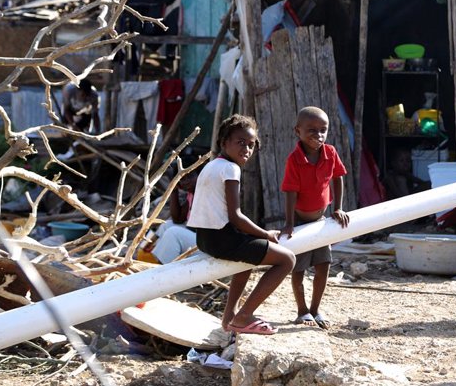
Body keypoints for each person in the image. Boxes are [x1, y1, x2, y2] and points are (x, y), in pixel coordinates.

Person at [188, 114, 295, 335]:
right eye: (240, 142)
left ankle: (229, 317)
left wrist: (257, 236)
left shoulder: (212, 166)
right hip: (222, 239)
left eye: (251, 145)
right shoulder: (230, 169)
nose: (246, 149)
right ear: (224, 142)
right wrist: (266, 234)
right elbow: (236, 216)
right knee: (287, 260)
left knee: (247, 258)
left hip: (205, 239)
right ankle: (244, 317)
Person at [280, 106, 349, 330]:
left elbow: (338, 178)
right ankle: (301, 311)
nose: (318, 136)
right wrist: (289, 223)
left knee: (323, 264)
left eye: (323, 130)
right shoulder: (294, 159)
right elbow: (290, 192)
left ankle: (315, 308)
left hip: (320, 221)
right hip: (300, 221)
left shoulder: (330, 153)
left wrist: (337, 208)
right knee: (298, 268)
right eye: (311, 130)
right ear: (297, 131)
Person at [138, 165, 198, 264]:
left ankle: (160, 266)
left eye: (190, 177)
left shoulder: (204, 193)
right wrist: (173, 187)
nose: (186, 181)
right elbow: (177, 219)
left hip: (208, 243)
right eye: (182, 179)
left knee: (173, 233)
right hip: (197, 237)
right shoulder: (191, 195)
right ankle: (143, 252)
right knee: (167, 225)